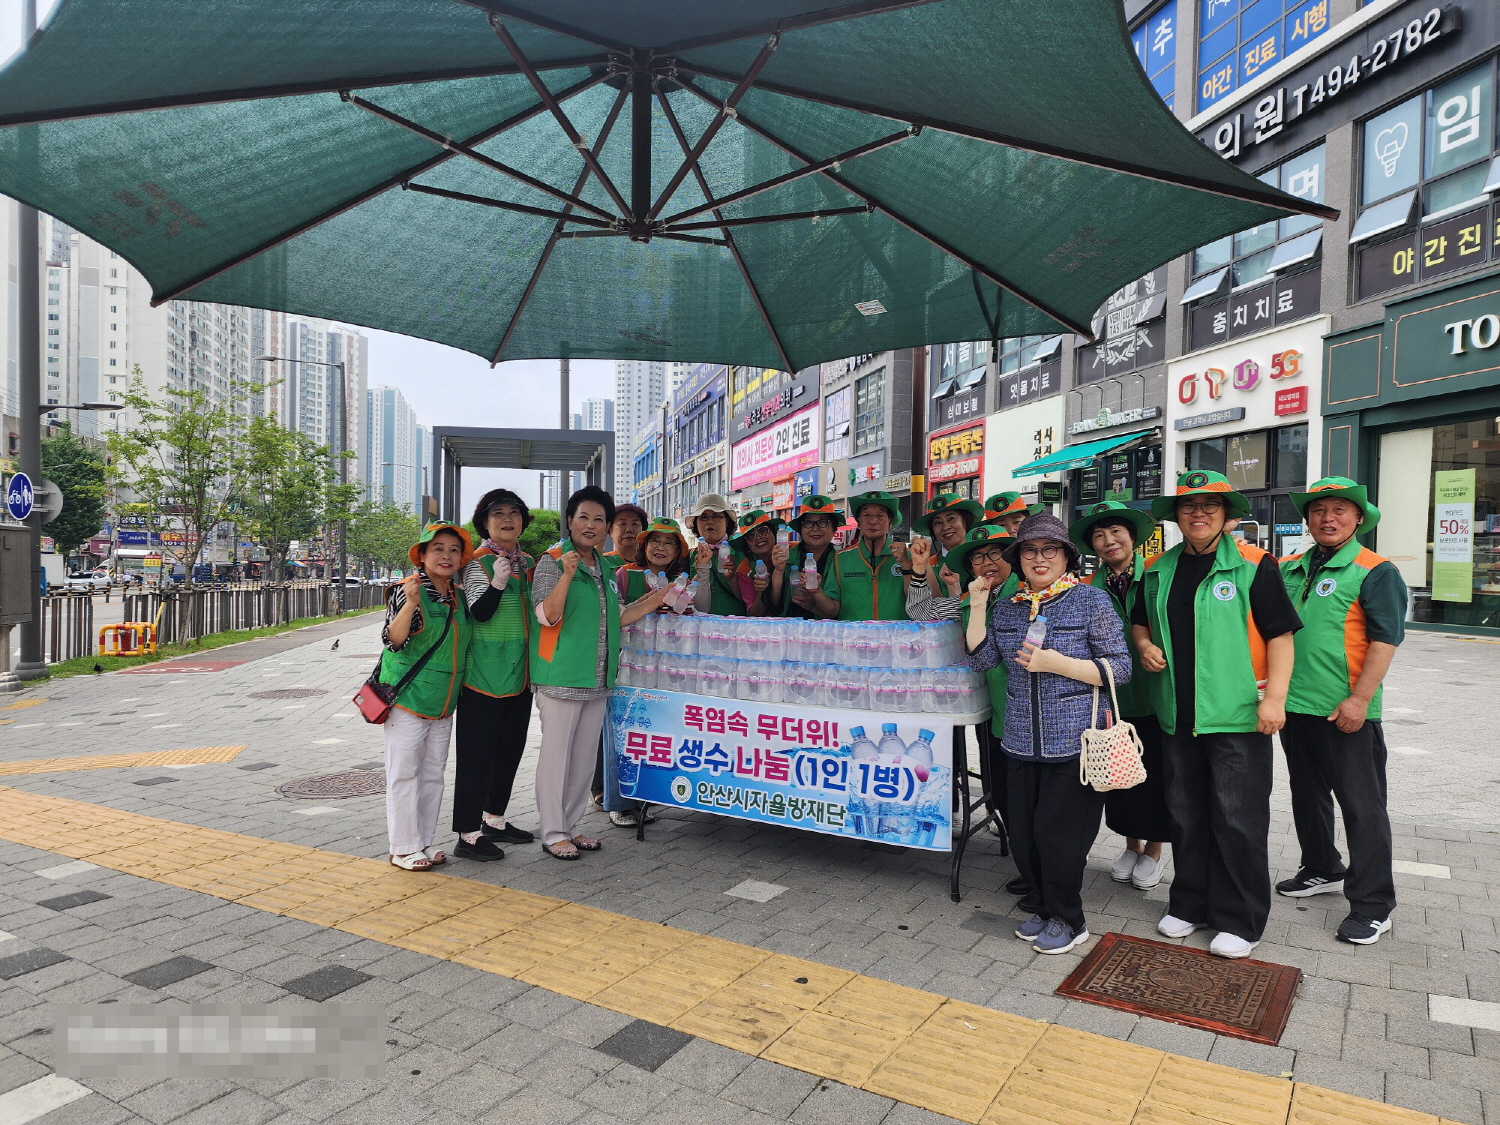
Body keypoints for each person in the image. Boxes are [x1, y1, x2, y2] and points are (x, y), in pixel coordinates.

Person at [1131, 470, 1302, 959]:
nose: (1199, 514)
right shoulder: (1159, 569)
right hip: (1177, 715)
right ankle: (1190, 903)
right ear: (1177, 517)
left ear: (1227, 514)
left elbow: (1281, 637)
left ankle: (1240, 919)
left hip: (1237, 716)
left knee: (1237, 819)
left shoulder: (1254, 565)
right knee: (1186, 815)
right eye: (1189, 507)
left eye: (1210, 506)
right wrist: (1143, 645)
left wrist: (1275, 700)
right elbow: (1140, 621)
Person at [967, 513, 1131, 955]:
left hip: (1075, 741)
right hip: (1019, 737)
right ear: (1018, 559)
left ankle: (1069, 919)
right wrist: (978, 605)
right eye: (1029, 550)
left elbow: (1121, 668)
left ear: (1066, 557)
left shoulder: (1091, 602)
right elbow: (982, 661)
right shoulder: (1008, 606)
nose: (1039, 559)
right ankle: (1043, 906)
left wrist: (1061, 664)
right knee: (1023, 832)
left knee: (1060, 837)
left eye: (1049, 550)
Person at [1278, 477, 1406, 945]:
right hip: (1295, 706)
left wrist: (1359, 700)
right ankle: (1321, 867)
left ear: (1358, 519)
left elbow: (1386, 639)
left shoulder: (1375, 570)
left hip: (1346, 711)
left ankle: (1374, 904)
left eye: (1339, 511)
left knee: (1362, 807)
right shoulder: (1292, 566)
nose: (1327, 519)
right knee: (1306, 793)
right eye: (1318, 511)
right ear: (1308, 519)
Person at [531, 486, 667, 859]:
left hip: (598, 676)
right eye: (583, 517)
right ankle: (552, 831)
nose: (591, 526)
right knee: (557, 756)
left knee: (582, 757)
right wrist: (565, 576)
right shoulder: (553, 559)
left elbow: (618, 619)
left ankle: (571, 828)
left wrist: (652, 601)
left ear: (606, 527)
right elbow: (546, 615)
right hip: (560, 674)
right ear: (570, 521)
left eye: (599, 520)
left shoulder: (607, 566)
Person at [1068, 501, 1170, 891]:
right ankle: (1132, 844)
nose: (1109, 541)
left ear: (1132, 537)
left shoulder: (1159, 575)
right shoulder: (1087, 589)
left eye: (1116, 532)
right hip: (1111, 699)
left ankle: (1155, 851)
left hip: (1159, 693)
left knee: (1159, 775)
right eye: (1099, 535)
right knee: (1118, 777)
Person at [908, 524, 1023, 857]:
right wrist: (919, 571)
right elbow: (921, 612)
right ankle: (1025, 862)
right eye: (977, 558)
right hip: (992, 709)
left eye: (994, 553)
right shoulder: (970, 598)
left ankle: (1045, 865)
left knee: (1029, 791)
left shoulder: (1031, 590)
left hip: (1031, 711)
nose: (986, 562)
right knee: (1001, 786)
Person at [379, 523, 474, 871]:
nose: (446, 556)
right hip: (408, 698)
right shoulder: (409, 589)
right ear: (422, 554)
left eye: (453, 550)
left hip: (444, 702)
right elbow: (394, 639)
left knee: (433, 774)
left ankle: (424, 840)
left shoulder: (458, 595)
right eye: (438, 549)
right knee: (404, 774)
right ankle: (402, 847)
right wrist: (411, 604)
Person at [452, 491, 535, 862]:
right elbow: (479, 613)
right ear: (484, 523)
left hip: (520, 674)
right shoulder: (476, 564)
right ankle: (467, 834)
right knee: (476, 756)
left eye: (514, 513)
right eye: (497, 513)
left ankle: (495, 820)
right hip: (482, 675)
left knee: (509, 750)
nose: (507, 519)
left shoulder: (529, 562)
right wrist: (498, 583)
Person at [813, 490, 912, 621]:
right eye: (866, 515)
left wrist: (906, 566)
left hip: (898, 638)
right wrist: (817, 591)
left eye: (880, 516)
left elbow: (920, 604)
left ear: (890, 521)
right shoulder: (841, 558)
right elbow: (833, 609)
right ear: (858, 521)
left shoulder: (909, 557)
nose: (873, 521)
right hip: (853, 638)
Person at [912, 492, 984, 595]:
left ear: (966, 520)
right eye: (938, 523)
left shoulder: (986, 557)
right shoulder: (929, 565)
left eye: (951, 519)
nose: (946, 527)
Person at [786, 495, 844, 619]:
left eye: (823, 522)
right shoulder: (785, 557)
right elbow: (772, 603)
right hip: (788, 631)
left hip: (828, 633)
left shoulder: (843, 560)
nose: (815, 528)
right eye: (808, 523)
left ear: (834, 529)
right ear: (800, 529)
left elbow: (837, 609)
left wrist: (815, 599)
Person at [688, 494, 745, 615]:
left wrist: (732, 579)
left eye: (717, 516)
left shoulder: (741, 552)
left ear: (727, 521)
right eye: (703, 517)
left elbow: (751, 600)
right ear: (696, 524)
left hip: (735, 628)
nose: (710, 522)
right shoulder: (688, 556)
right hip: (698, 628)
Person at [616, 517, 690, 602]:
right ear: (645, 545)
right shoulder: (626, 573)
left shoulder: (681, 581)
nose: (660, 548)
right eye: (655, 540)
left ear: (677, 551)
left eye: (669, 543)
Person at [730, 509, 788, 616]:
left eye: (762, 530)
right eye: (750, 536)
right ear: (746, 544)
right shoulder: (745, 569)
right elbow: (754, 614)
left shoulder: (794, 551)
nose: (758, 537)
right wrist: (761, 591)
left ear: (774, 532)